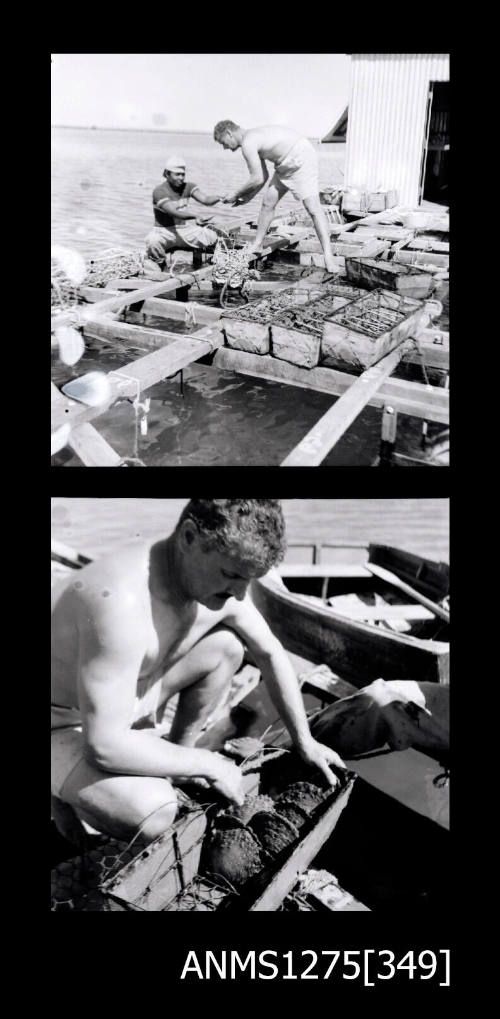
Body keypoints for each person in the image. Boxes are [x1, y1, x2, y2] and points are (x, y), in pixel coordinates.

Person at [51, 500, 345, 846]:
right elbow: (103, 746)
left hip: (118, 698)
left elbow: (270, 652)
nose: (239, 593)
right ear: (189, 537)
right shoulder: (121, 604)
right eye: (232, 575)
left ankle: (172, 762)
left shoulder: (208, 579)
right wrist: (205, 763)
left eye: (247, 580)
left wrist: (304, 740)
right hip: (62, 722)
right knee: (154, 810)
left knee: (227, 647)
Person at [213, 121, 338, 273]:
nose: (225, 147)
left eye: (223, 143)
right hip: (284, 164)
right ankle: (258, 243)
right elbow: (262, 176)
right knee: (268, 203)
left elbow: (257, 178)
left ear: (229, 133)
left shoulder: (248, 143)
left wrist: (235, 193)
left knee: (313, 208)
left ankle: (328, 257)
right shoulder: (251, 139)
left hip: (301, 157)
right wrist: (248, 197)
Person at [144, 155, 222, 273]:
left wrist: (221, 197)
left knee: (214, 237)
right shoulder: (159, 191)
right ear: (167, 174)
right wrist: (195, 216)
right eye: (177, 174)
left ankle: (213, 267)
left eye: (183, 174)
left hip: (185, 230)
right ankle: (160, 265)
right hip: (164, 231)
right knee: (153, 241)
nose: (181, 178)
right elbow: (173, 212)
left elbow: (206, 200)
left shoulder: (188, 186)